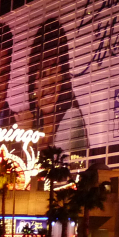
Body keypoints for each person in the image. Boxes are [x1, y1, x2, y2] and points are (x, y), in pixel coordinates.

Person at [27, 17, 89, 154]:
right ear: (33, 83)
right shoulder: (29, 124)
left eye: (54, 69)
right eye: (42, 73)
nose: (48, 80)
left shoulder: (72, 120)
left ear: (63, 76)